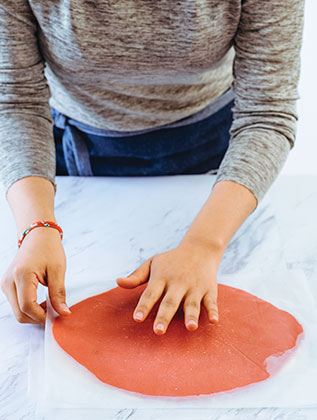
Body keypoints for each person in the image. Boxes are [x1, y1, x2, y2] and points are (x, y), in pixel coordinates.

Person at [0, 1, 304, 335]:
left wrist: (204, 244)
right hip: (78, 144)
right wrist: (36, 226)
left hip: (215, 147)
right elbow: (17, 103)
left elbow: (266, 112)